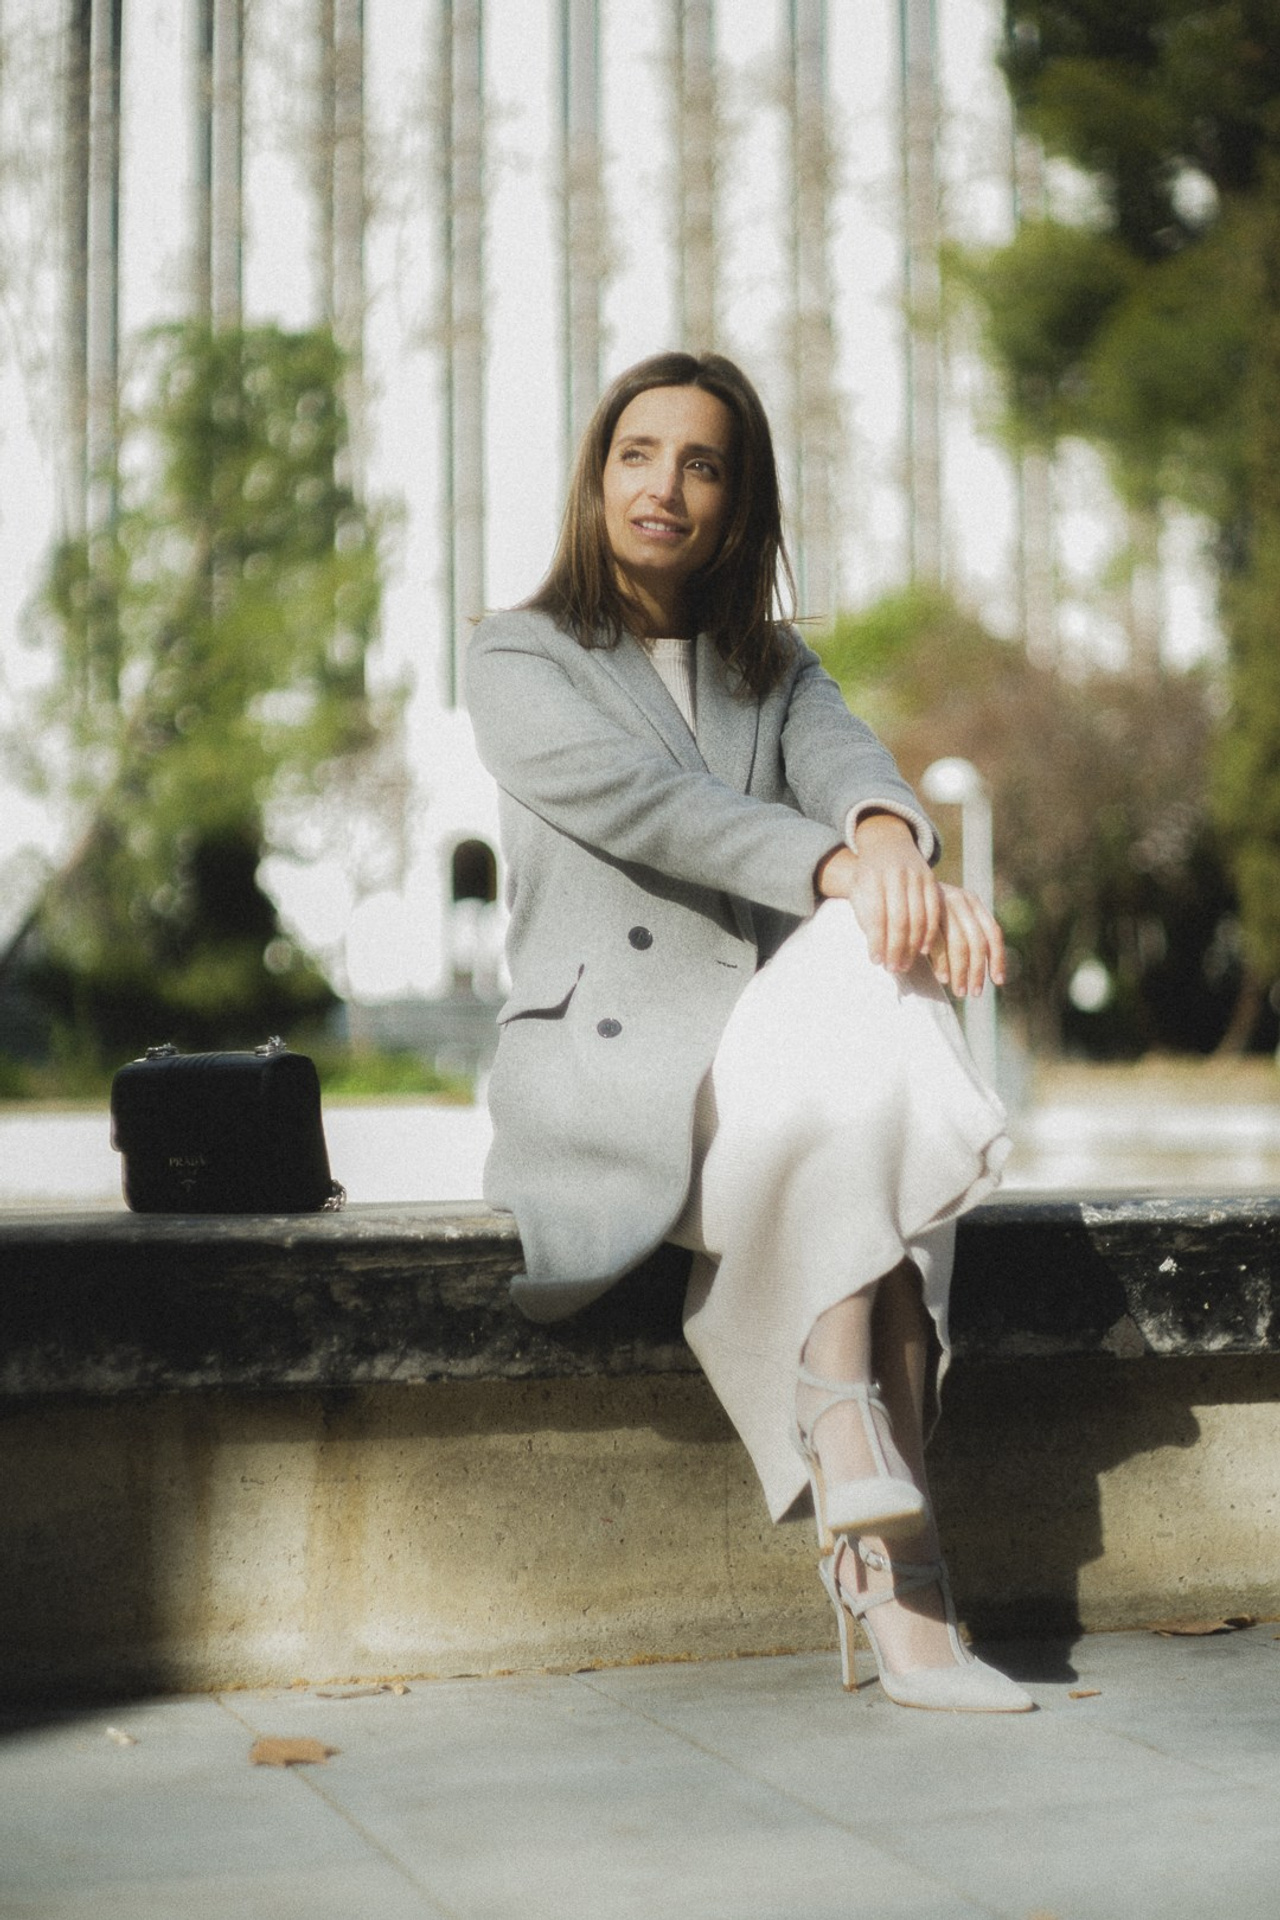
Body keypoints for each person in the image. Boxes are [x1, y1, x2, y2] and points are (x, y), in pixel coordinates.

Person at [467, 350, 1032, 1713]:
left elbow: (851, 766)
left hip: (774, 1070)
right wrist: (856, 877)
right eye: (639, 453)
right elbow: (660, 809)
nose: (667, 485)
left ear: (739, 499)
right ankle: (910, 1592)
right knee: (868, 970)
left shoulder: (767, 664)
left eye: (703, 462)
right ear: (598, 478)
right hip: (616, 1080)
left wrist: (892, 843)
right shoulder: (518, 656)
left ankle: (849, 1439)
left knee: (864, 968)